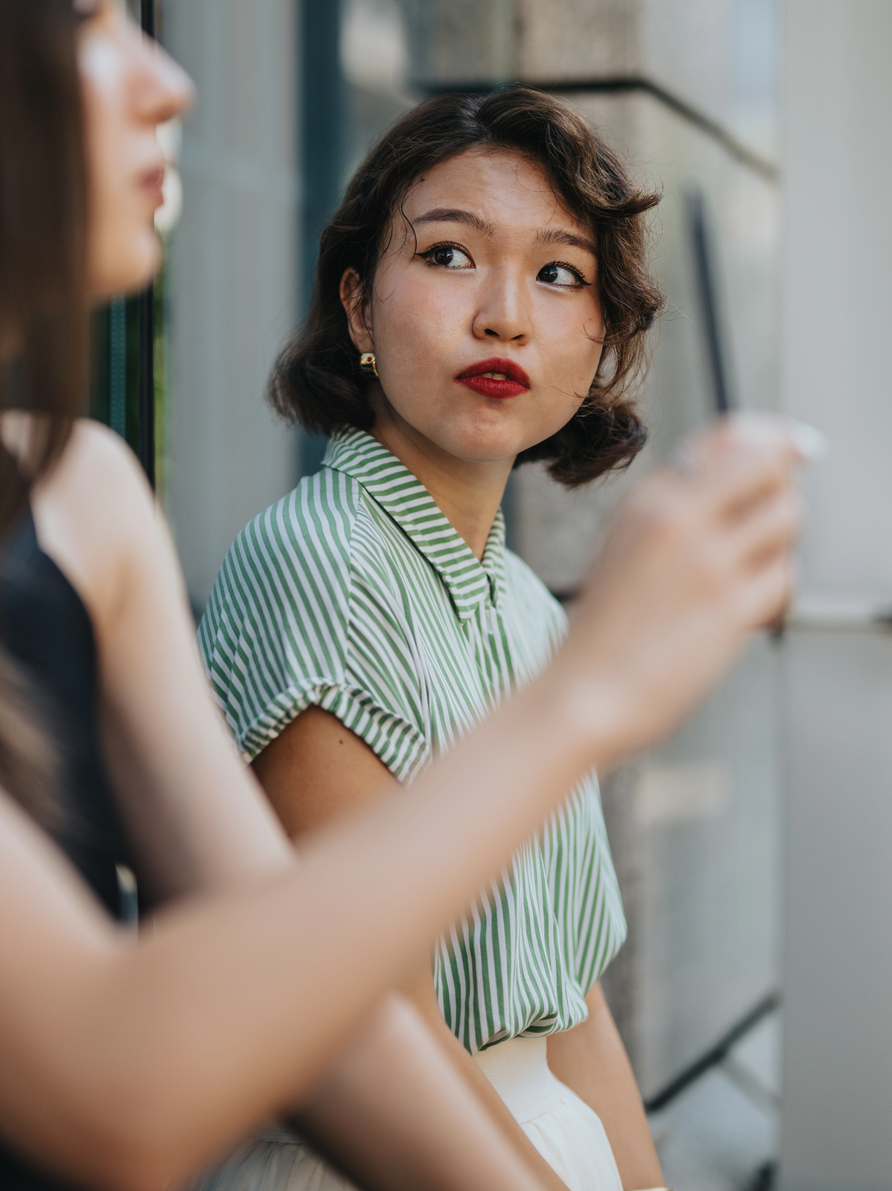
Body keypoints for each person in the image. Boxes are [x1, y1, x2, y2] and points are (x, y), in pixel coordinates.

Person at [0, 0, 806, 1189]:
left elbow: (370, 1020)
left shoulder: (88, 492)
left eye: (559, 276)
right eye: (90, 9)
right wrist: (590, 694)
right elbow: (150, 1071)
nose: (172, 81)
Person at [195, 90, 669, 1191]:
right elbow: (383, 1032)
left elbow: (577, 1011)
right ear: (356, 308)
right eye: (451, 255)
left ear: (596, 338)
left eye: (558, 273)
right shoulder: (317, 566)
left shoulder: (525, 610)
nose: (505, 314)